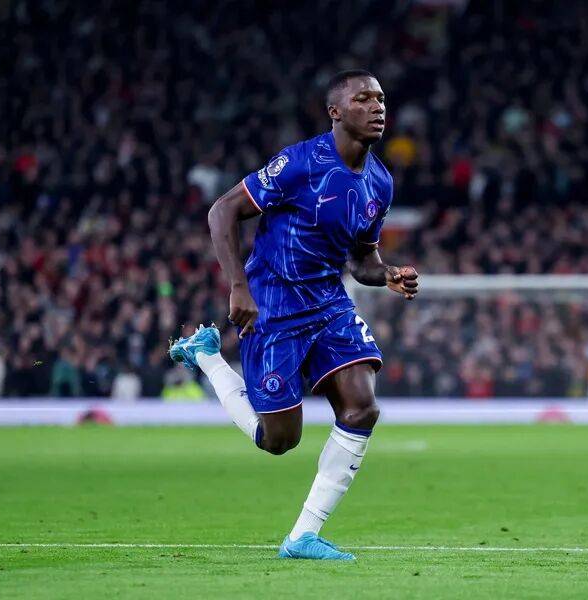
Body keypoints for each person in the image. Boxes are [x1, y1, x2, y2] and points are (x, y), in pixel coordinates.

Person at [170, 70, 418, 560]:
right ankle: (208, 357)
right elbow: (222, 211)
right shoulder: (300, 163)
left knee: (362, 408)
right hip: (273, 304)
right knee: (279, 440)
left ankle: (303, 536)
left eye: (381, 99)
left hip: (328, 302)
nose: (377, 107)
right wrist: (238, 287)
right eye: (363, 99)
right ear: (335, 112)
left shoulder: (380, 182)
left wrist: (387, 273)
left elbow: (361, 259)